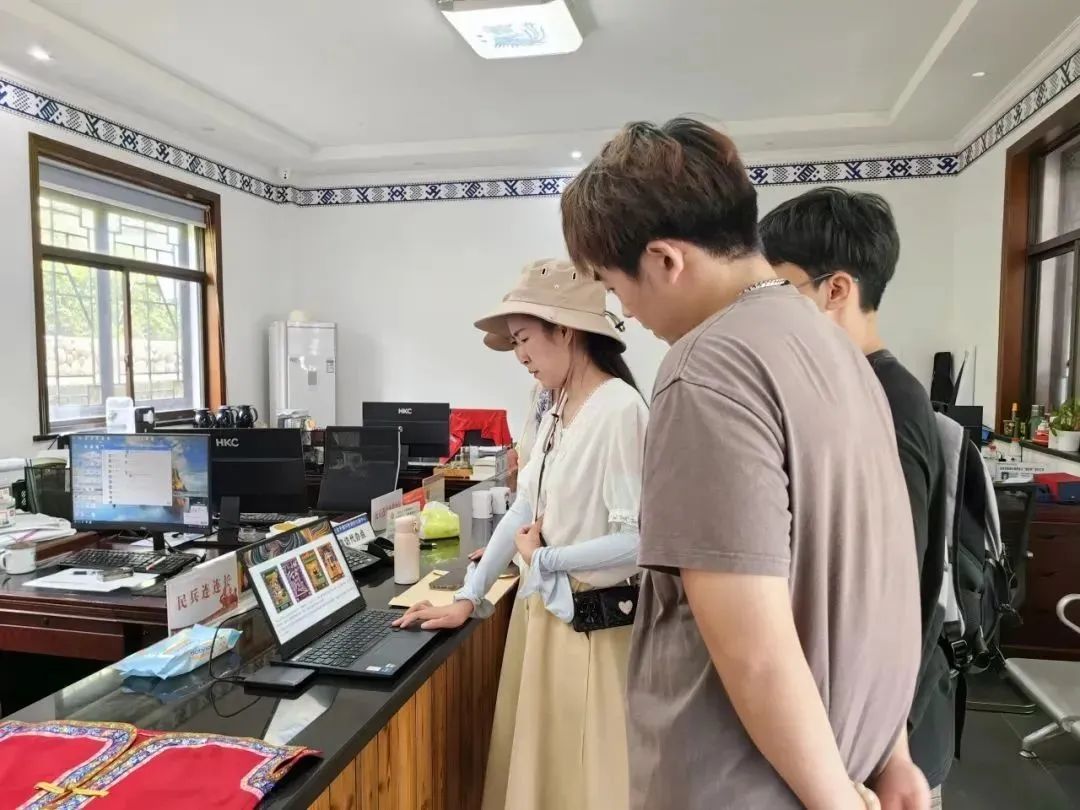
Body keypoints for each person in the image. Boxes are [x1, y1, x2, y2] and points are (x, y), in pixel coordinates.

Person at [561, 119, 929, 810]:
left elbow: (752, 648)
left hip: (751, 783)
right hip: (847, 753)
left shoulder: (706, 367)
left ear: (665, 260)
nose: (625, 312)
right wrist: (892, 748)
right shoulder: (838, 347)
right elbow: (881, 569)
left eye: (614, 287)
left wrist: (835, 800)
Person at [394, 259, 648, 810]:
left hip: (592, 626)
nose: (520, 355)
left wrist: (547, 558)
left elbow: (639, 544)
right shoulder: (551, 405)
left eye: (525, 339)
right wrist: (469, 596)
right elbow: (524, 510)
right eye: (514, 343)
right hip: (544, 617)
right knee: (543, 772)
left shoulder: (619, 410)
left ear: (568, 331)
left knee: (589, 779)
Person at [760, 187, 952, 808]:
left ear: (835, 289)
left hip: (876, 734)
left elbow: (884, 591)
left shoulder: (886, 401)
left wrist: (882, 751)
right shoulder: (849, 387)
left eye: (779, 289)